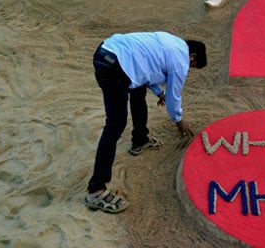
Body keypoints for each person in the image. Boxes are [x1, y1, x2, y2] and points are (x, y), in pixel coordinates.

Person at [84, 31, 207, 213]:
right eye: (193, 65)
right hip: (114, 66)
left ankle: (140, 140)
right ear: (192, 56)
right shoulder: (181, 60)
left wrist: (159, 92)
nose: (189, 68)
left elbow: (145, 70)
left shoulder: (170, 42)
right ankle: (96, 190)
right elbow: (174, 97)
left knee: (138, 90)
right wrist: (179, 120)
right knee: (115, 124)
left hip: (107, 51)